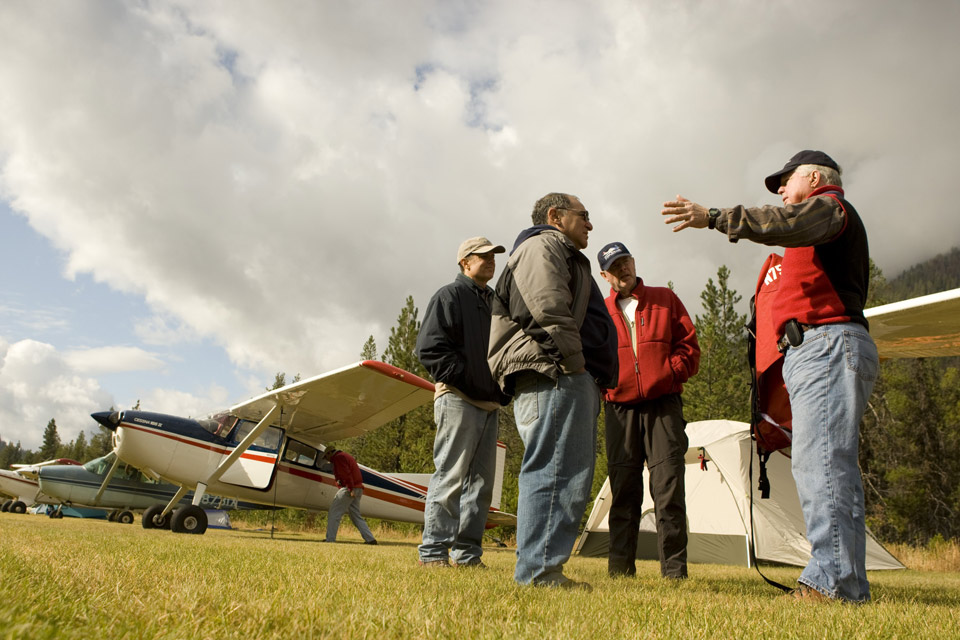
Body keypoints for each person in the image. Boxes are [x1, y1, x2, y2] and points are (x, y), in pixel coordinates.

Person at [661, 150, 878, 603]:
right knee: (828, 465)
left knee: (821, 465)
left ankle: (830, 582)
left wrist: (716, 217)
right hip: (820, 348)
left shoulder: (829, 208)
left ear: (815, 177)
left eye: (786, 180)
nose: (780, 190)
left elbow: (784, 221)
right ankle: (846, 584)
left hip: (826, 344)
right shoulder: (818, 223)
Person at [488, 192, 618, 589]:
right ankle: (539, 573)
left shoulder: (557, 250)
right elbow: (543, 307)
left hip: (559, 374)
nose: (590, 224)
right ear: (555, 216)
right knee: (556, 472)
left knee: (562, 473)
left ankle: (541, 568)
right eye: (584, 216)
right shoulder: (542, 244)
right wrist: (574, 364)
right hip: (556, 373)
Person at [596, 241, 700, 579]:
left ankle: (674, 573)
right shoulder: (600, 311)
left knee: (668, 490)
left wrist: (671, 372)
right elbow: (592, 358)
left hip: (663, 405)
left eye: (626, 261)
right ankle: (620, 572)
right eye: (615, 267)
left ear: (634, 262)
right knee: (624, 491)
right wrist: (605, 387)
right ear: (605, 276)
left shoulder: (664, 298)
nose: (623, 269)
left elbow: (689, 345)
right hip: (619, 409)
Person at [415, 236, 510, 569]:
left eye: (493, 256)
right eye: (481, 256)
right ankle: (434, 553)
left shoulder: (496, 301)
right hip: (456, 399)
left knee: (481, 487)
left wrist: (501, 390)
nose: (490, 260)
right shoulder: (449, 295)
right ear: (464, 263)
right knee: (451, 477)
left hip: (489, 405)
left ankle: (467, 554)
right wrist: (467, 380)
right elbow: (429, 350)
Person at [321, 447, 377, 545]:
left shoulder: (338, 458)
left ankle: (330, 539)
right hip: (358, 488)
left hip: (349, 488)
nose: (327, 459)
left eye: (326, 456)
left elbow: (346, 474)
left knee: (334, 513)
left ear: (330, 453)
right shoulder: (344, 456)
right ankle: (370, 539)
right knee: (355, 516)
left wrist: (350, 489)